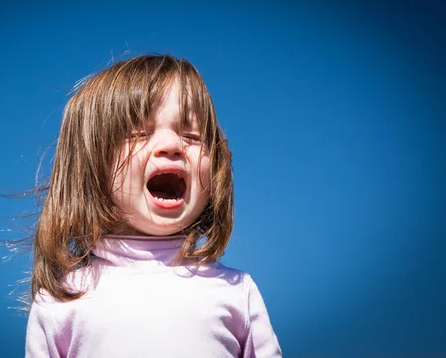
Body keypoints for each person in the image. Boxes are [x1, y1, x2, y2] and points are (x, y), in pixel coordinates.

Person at [25, 54, 282, 357]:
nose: (172, 145)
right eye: (138, 134)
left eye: (192, 135)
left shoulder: (236, 291)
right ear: (90, 168)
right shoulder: (61, 302)